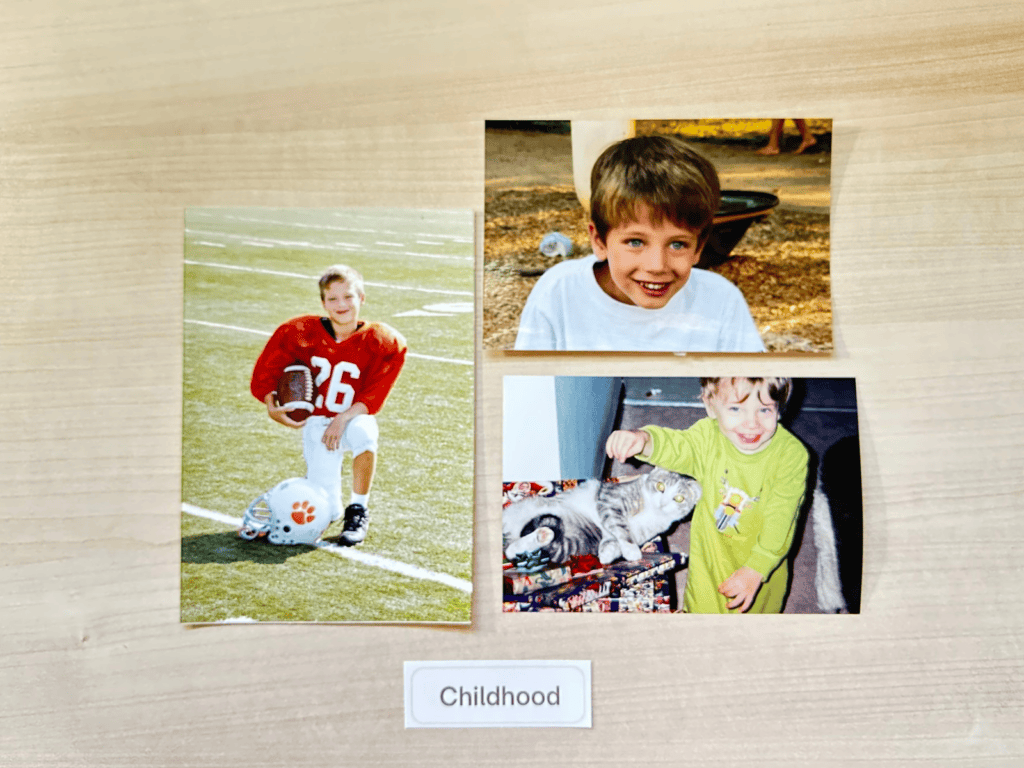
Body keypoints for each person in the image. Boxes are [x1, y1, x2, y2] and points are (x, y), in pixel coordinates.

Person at [513, 134, 764, 352]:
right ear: (599, 240)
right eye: (635, 242)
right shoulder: (559, 293)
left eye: (677, 245)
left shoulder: (721, 301)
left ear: (699, 248)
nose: (657, 266)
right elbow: (527, 389)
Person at [605, 377, 809, 613]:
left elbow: (781, 520)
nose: (751, 423)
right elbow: (678, 447)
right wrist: (644, 439)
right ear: (711, 405)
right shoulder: (708, 437)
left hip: (762, 567)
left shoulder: (791, 456)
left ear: (779, 407)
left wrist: (757, 567)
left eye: (764, 410)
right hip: (709, 558)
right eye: (735, 408)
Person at [250, 264, 407, 545]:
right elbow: (266, 374)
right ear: (323, 303)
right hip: (317, 425)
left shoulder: (382, 341)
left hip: (350, 418)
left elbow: (374, 396)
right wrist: (271, 405)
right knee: (325, 510)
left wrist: (342, 418)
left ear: (362, 298)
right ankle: (334, 509)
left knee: (366, 433)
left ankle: (358, 508)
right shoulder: (298, 331)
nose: (341, 305)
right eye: (332, 299)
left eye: (348, 297)